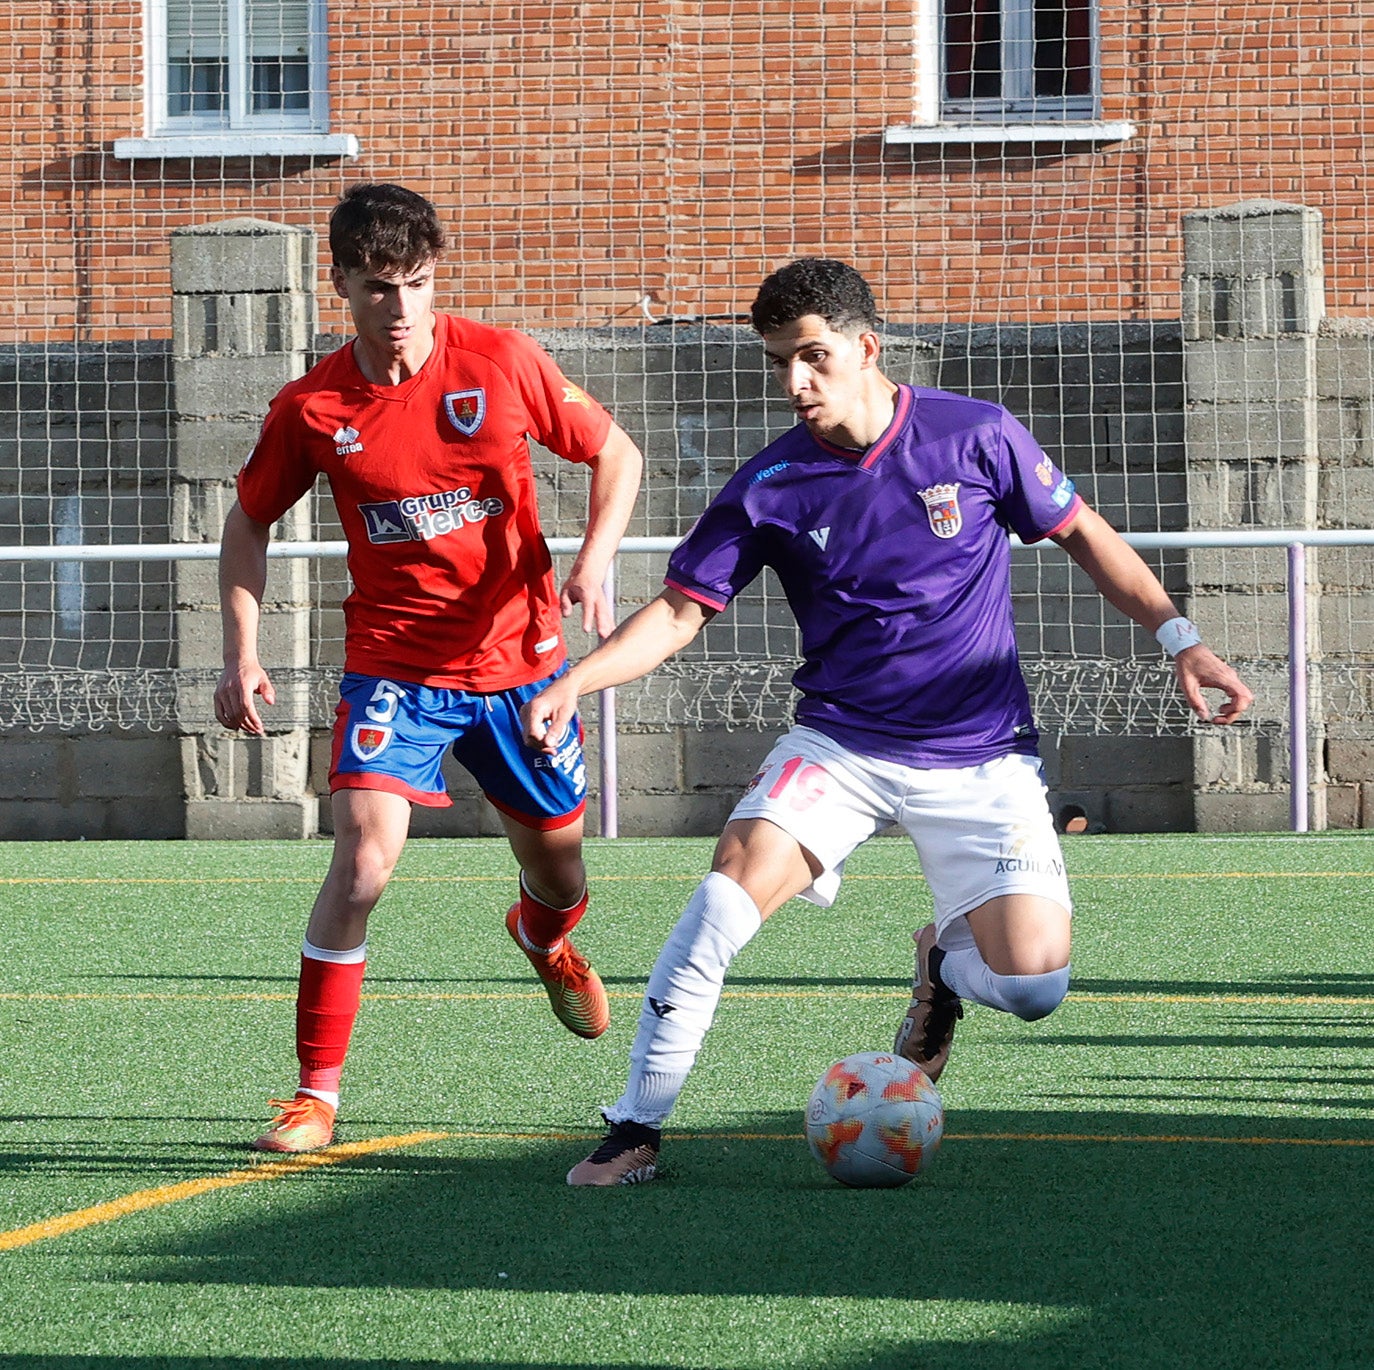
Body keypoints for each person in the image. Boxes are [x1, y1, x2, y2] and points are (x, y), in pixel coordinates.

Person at [521, 257, 1252, 1186]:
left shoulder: (975, 435)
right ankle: (634, 1129)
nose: (796, 382)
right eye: (782, 362)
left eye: (815, 357)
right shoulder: (769, 484)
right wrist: (576, 682)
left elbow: (1085, 535)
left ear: (867, 348)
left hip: (985, 760)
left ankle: (944, 972)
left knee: (1033, 987)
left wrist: (1181, 638)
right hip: (841, 747)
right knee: (717, 906)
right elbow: (675, 614)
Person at [215, 183, 643, 1153]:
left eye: (416, 283)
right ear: (342, 286)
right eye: (378, 287)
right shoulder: (315, 405)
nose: (401, 307)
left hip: (523, 665)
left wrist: (595, 557)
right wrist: (239, 647)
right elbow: (248, 521)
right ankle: (314, 1093)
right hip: (394, 669)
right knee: (362, 862)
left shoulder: (499, 361)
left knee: (561, 866)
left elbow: (617, 454)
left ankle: (542, 937)